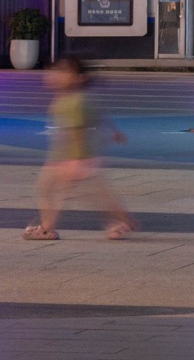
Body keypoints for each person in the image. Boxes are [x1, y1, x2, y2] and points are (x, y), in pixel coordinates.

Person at [23, 57, 134, 241]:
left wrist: (76, 161)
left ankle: (47, 228)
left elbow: (78, 132)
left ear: (78, 78)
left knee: (91, 196)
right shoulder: (68, 99)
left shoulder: (76, 102)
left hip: (74, 159)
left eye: (63, 72)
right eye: (55, 71)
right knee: (88, 194)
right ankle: (123, 221)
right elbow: (99, 114)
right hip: (66, 157)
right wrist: (115, 131)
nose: (56, 75)